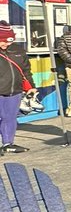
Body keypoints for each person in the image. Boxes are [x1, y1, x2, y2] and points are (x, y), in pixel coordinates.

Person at [0, 22, 34, 154]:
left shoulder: (18, 50)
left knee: (10, 117)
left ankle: (8, 143)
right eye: (2, 41)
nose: (6, 44)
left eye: (9, 41)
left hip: (15, 90)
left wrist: (31, 87)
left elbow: (26, 70)